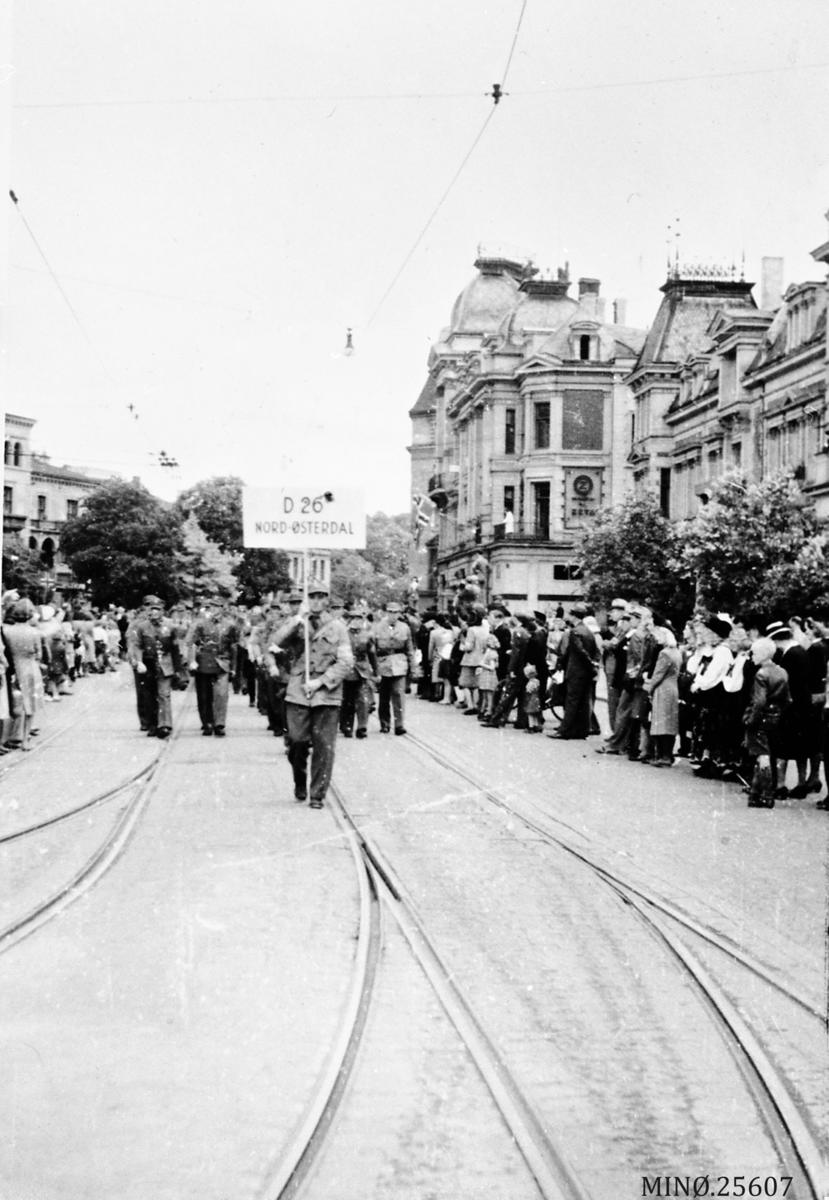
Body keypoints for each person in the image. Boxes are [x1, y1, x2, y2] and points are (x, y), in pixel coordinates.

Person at [273, 582, 353, 808]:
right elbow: (275, 643)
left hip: (327, 693)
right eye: (312, 597)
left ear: (327, 600)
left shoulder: (338, 628)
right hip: (298, 690)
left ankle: (317, 794)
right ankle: (300, 778)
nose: (317, 601)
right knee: (297, 741)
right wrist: (296, 620)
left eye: (321, 597)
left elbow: (346, 662)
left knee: (324, 746)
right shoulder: (297, 623)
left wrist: (321, 681)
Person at [742, 637, 791, 809]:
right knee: (765, 754)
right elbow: (787, 699)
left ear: (762, 654)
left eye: (753, 653)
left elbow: (759, 701)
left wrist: (751, 719)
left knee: (762, 756)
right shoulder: (782, 672)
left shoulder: (761, 674)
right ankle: (756, 792)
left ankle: (765, 793)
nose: (751, 656)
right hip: (775, 715)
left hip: (761, 716)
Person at [129, 596, 181, 738]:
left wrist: (179, 670)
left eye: (158, 609)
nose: (155, 612)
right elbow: (137, 645)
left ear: (162, 611)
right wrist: (139, 662)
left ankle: (165, 725)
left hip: (165, 664)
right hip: (148, 664)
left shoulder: (171, 626)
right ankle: (153, 725)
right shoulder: (141, 627)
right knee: (149, 696)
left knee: (164, 694)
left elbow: (175, 649)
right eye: (152, 609)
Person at [186, 599, 238, 736]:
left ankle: (219, 724)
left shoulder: (230, 625)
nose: (214, 610)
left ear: (222, 608)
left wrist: (234, 667)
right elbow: (191, 643)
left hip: (222, 663)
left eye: (217, 607)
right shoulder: (200, 624)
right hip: (203, 663)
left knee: (221, 695)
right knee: (204, 696)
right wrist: (192, 660)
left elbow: (234, 647)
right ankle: (207, 723)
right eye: (211, 608)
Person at [550, 603, 599, 740]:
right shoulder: (588, 631)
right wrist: (592, 667)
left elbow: (578, 651)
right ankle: (581, 730)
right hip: (585, 673)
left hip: (575, 671)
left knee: (571, 701)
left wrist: (561, 663)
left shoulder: (575, 632)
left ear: (573, 616)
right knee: (583, 702)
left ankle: (564, 730)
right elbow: (594, 651)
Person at [373, 599, 416, 734]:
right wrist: (373, 669)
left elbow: (409, 649)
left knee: (398, 694)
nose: (393, 615)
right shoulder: (377, 627)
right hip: (383, 664)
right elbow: (372, 649)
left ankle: (399, 724)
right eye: (390, 612)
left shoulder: (404, 628)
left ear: (399, 613)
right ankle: (384, 724)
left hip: (399, 663)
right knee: (384, 697)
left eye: (396, 612)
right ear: (386, 612)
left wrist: (413, 667)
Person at [642, 625, 681, 766]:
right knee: (669, 723)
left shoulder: (664, 653)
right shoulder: (676, 652)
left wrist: (649, 688)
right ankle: (667, 755)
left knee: (660, 724)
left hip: (662, 689)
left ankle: (663, 756)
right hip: (673, 688)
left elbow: (658, 674)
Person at [340, 608, 378, 739]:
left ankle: (362, 727)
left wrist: (376, 672)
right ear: (349, 620)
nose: (356, 622)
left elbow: (372, 654)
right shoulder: (343, 634)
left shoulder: (367, 635)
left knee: (363, 700)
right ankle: (347, 726)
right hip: (346, 670)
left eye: (359, 619)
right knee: (347, 700)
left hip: (362, 670)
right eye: (354, 619)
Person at [522, 663, 543, 732]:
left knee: (530, 714)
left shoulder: (530, 683)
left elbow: (529, 691)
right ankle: (536, 726)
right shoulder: (537, 681)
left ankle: (531, 727)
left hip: (531, 699)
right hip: (536, 699)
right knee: (535, 714)